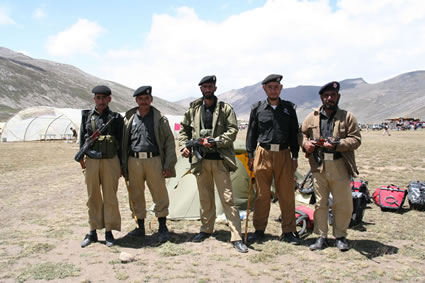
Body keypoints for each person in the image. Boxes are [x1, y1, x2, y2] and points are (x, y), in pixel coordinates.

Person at [179, 75, 248, 253]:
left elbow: (232, 130)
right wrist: (184, 147)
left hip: (219, 161)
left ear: (215, 88)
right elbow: (184, 130)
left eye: (210, 86)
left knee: (227, 199)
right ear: (200, 89)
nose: (207, 89)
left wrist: (216, 142)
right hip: (200, 161)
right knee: (205, 198)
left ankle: (236, 236)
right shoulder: (193, 109)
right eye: (204, 87)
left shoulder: (225, 108)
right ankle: (206, 229)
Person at [301, 81, 361, 251]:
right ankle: (321, 236)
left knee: (343, 203)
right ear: (321, 97)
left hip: (339, 164)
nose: (329, 98)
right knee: (320, 202)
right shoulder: (311, 116)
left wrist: (338, 144)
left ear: (338, 97)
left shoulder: (347, 117)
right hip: (319, 166)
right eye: (326, 95)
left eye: (333, 95)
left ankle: (340, 236)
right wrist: (306, 144)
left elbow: (356, 140)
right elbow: (302, 134)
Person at [245, 74, 300, 245]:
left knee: (286, 194)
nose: (274, 90)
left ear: (281, 88)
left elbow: (294, 134)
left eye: (276, 87)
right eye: (270, 87)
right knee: (262, 194)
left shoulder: (289, 109)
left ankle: (289, 231)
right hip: (263, 153)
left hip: (284, 153)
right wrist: (250, 154)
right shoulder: (257, 108)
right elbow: (252, 134)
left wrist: (295, 156)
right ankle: (259, 230)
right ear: (264, 89)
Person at [122, 86, 177, 243]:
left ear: (151, 99)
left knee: (160, 194)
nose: (144, 101)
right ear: (136, 100)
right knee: (136, 194)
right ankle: (140, 227)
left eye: (147, 98)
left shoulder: (160, 119)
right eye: (141, 99)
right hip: (134, 161)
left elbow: (169, 142)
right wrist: (124, 165)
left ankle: (163, 227)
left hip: (154, 160)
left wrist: (168, 164)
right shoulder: (129, 119)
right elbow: (124, 142)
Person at [79, 85, 124, 248]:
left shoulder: (116, 118)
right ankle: (92, 231)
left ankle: (109, 231)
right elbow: (82, 140)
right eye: (98, 98)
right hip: (91, 160)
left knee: (110, 196)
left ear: (109, 99)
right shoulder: (86, 116)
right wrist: (81, 159)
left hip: (110, 161)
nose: (101, 101)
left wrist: (121, 165)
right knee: (93, 197)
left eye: (104, 98)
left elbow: (121, 142)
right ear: (94, 99)